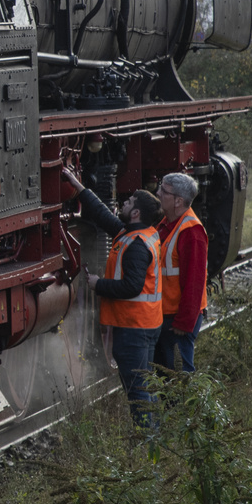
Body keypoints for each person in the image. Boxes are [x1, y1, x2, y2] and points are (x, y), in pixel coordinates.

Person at [63, 168, 165, 423]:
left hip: (135, 328)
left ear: (136, 213)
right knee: (144, 387)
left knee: (139, 391)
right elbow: (102, 215)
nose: (123, 203)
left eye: (128, 202)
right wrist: (78, 186)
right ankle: (153, 439)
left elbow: (132, 286)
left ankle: (149, 443)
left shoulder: (137, 245)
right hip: (142, 325)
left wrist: (99, 284)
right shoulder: (133, 233)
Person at [154, 173, 208, 374]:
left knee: (178, 380)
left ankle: (183, 407)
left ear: (178, 201)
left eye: (163, 191)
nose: (158, 193)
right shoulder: (166, 224)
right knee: (165, 379)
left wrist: (184, 323)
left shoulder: (191, 233)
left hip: (176, 321)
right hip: (164, 316)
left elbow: (195, 283)